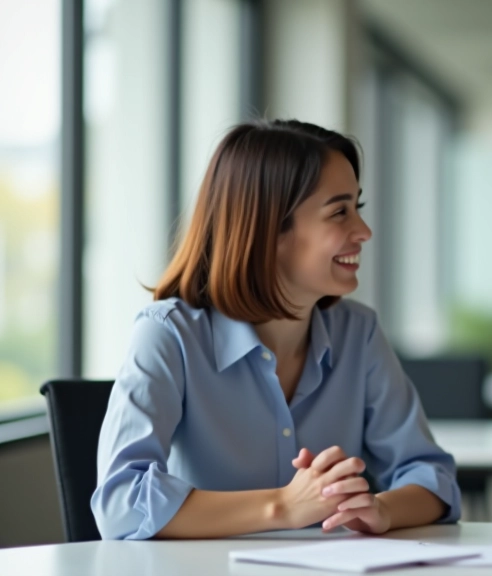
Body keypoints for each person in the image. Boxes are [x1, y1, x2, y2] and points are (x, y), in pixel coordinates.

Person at [91, 120, 459, 540]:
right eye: (339, 212)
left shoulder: (358, 333)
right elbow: (121, 505)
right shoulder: (169, 336)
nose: (364, 231)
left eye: (358, 207)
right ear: (269, 229)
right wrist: (284, 505)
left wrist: (379, 509)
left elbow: (433, 478)